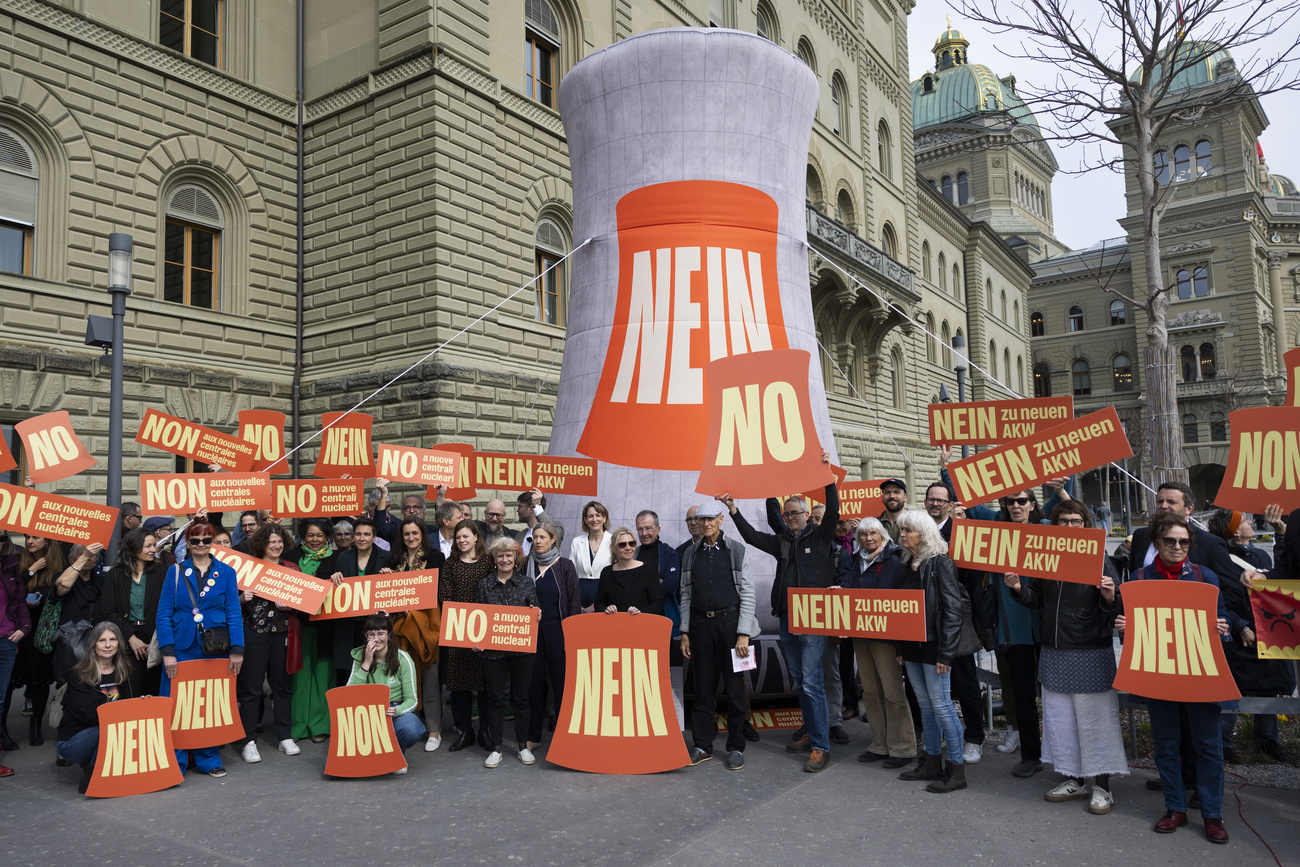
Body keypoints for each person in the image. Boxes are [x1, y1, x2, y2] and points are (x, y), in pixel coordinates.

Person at [1003, 501, 1127, 816]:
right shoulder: (1046, 557)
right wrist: (1019, 589)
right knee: (1061, 722)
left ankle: (1102, 786)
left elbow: (1118, 606)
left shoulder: (1098, 556)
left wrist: (1111, 596)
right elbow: (1039, 600)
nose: (1069, 527)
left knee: (1095, 721)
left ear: (1086, 525)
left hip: (1089, 650)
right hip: (1053, 649)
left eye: (1076, 521)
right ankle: (1074, 779)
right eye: (1063, 521)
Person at [725, 449, 837, 773]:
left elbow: (834, 508)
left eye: (795, 513)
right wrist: (733, 510)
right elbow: (750, 536)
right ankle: (811, 729)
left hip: (813, 620)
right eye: (786, 514)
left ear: (806, 513)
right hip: (787, 619)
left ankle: (821, 747)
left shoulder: (822, 536)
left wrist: (827, 473)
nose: (790, 518)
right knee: (801, 682)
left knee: (813, 683)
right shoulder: (782, 542)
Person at [1124, 512, 1232, 843]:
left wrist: (1222, 629)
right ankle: (1175, 809)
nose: (1177, 546)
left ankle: (1213, 815)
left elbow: (1223, 622)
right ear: (1157, 543)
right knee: (1166, 745)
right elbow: (1133, 634)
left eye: (1184, 542)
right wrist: (1127, 629)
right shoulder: (1140, 578)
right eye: (1170, 541)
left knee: (1208, 747)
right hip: (1160, 674)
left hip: (1200, 672)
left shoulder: (1205, 577)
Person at [157, 520, 244, 777]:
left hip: (214, 646)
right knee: (177, 704)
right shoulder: (174, 571)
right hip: (181, 646)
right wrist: (168, 651)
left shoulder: (226, 572)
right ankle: (176, 759)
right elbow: (163, 614)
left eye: (207, 540)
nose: (201, 545)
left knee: (208, 703)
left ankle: (209, 758)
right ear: (187, 542)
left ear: (213, 541)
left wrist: (237, 649)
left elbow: (233, 612)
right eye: (196, 540)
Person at [1209, 509, 1295, 762]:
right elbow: (1222, 598)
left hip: (1267, 629)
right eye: (1244, 520)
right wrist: (1241, 625)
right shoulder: (1222, 557)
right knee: (1232, 688)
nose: (1250, 522)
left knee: (1270, 686)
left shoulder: (1257, 554)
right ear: (1234, 530)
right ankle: (1224, 743)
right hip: (1240, 634)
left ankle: (1267, 740)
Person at [893, 509, 968, 793]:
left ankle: (957, 769)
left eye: (908, 530)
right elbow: (901, 610)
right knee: (926, 706)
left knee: (942, 706)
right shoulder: (906, 564)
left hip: (935, 648)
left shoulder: (941, 564)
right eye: (901, 530)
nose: (902, 535)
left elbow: (953, 611)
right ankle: (932, 761)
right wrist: (901, 647)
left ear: (923, 535)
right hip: (912, 648)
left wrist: (946, 654)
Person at [679, 500, 757, 770]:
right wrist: (685, 631)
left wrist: (743, 633)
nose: (706, 523)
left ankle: (736, 747)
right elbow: (686, 595)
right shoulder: (691, 553)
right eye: (702, 520)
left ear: (721, 519)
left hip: (731, 626)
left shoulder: (736, 550)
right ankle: (702, 745)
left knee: (735, 690)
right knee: (703, 690)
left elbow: (748, 593)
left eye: (711, 519)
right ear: (697, 523)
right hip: (700, 628)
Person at [848, 518, 915, 769]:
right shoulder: (856, 561)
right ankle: (879, 744)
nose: (868, 538)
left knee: (893, 693)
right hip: (862, 636)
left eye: (873, 533)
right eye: (863, 534)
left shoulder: (897, 560)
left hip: (887, 639)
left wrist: (901, 646)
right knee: (871, 693)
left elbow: (902, 604)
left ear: (883, 534)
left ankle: (903, 748)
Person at [991, 490, 1045, 778]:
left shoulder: (1046, 530)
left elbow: (1074, 521)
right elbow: (969, 512)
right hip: (1016, 631)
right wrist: (947, 469)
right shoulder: (995, 535)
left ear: (1032, 505)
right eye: (1010, 501)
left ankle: (1064, 754)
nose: (1015, 506)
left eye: (1022, 501)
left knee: (1057, 697)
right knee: (1023, 695)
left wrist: (1064, 487)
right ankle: (1031, 755)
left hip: (1048, 629)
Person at [237, 523, 299, 763]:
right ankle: (248, 741)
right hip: (254, 634)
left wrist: (292, 605)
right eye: (272, 541)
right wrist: (242, 598)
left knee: (282, 686)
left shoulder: (291, 568)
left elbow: (304, 604)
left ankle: (285, 737)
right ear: (262, 543)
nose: (276, 545)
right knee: (252, 689)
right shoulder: (248, 568)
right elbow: (230, 602)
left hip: (283, 634)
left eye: (280, 541)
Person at [475, 538, 540, 768]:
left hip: (521, 651)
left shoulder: (526, 583)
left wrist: (536, 615)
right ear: (494, 559)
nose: (505, 559)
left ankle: (523, 746)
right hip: (492, 653)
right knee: (495, 699)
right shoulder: (484, 585)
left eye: (509, 555)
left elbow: (534, 611)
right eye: (500, 555)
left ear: (516, 558)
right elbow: (477, 619)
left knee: (521, 697)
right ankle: (496, 748)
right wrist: (476, 640)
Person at [386, 518, 445, 752]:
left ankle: (434, 731)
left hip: (425, 626)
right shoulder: (393, 560)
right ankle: (408, 725)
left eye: (415, 533)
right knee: (404, 680)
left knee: (429, 678)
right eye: (407, 534)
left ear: (423, 535)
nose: (411, 537)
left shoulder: (435, 559)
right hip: (399, 628)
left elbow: (438, 591)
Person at [55, 621, 136, 793]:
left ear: (119, 644)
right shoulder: (79, 674)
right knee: (112, 729)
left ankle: (104, 771)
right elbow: (87, 715)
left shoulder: (124, 671)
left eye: (113, 640)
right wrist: (120, 717)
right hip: (73, 741)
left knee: (118, 728)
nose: (108, 645)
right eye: (102, 640)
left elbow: (129, 706)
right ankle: (90, 780)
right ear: (93, 644)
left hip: (108, 731)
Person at [523, 520, 580, 751]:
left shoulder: (565, 565)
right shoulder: (526, 564)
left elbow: (574, 603)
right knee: (534, 685)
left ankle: (566, 736)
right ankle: (534, 736)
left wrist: (571, 636)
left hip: (558, 630)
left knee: (562, 684)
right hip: (532, 632)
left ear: (553, 539)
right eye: (534, 537)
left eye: (542, 537)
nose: (537, 541)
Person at [4, 535, 64, 747]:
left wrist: (41, 597)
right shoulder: (16, 558)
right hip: (18, 629)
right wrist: (31, 570)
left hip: (43, 629)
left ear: (47, 541)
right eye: (28, 537)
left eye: (36, 538)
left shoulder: (57, 563)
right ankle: (2, 730)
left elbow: (60, 593)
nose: (30, 541)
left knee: (40, 680)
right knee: (9, 681)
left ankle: (36, 726)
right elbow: (9, 590)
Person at [438, 519, 492, 752]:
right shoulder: (450, 564)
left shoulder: (488, 562)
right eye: (458, 537)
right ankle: (465, 731)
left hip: (484, 629)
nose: (461, 540)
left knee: (484, 685)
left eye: (465, 536)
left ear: (476, 537)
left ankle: (485, 732)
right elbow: (444, 595)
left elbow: (493, 592)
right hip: (458, 629)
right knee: (459, 685)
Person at [347, 613, 425, 771]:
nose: (376, 639)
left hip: (393, 710)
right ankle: (373, 756)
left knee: (411, 727)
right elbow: (348, 695)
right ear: (366, 636)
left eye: (381, 633)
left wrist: (398, 710)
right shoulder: (360, 656)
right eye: (371, 634)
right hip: (367, 712)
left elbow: (413, 700)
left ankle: (396, 755)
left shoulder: (403, 659)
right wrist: (366, 663)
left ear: (389, 635)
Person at [95, 528, 165, 697]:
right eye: (148, 546)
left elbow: (168, 607)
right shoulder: (116, 574)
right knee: (130, 689)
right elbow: (109, 611)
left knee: (153, 689)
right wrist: (131, 638)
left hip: (154, 637)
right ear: (133, 548)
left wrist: (157, 637)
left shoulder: (162, 572)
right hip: (125, 637)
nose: (153, 550)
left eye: (154, 545)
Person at [326, 518, 390, 688]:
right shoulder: (342, 557)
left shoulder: (386, 558)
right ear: (354, 537)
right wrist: (334, 578)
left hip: (375, 625)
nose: (362, 538)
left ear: (374, 537)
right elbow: (336, 590)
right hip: (348, 625)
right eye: (358, 534)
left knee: (376, 671)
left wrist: (390, 576)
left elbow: (392, 592)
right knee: (347, 673)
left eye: (367, 534)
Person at [636, 509, 684, 730]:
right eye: (640, 529)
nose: (644, 533)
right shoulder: (632, 552)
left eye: (648, 528)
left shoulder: (670, 554)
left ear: (658, 529)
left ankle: (671, 724)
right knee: (641, 674)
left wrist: (644, 584)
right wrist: (656, 581)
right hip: (637, 623)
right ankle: (643, 721)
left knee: (665, 674)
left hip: (664, 623)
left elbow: (670, 587)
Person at [292, 519, 334, 743]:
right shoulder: (290, 557)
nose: (315, 540)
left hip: (326, 626)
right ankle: (298, 726)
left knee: (322, 676)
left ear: (327, 537)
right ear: (303, 537)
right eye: (310, 535)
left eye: (319, 536)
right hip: (299, 625)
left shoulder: (337, 558)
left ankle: (319, 725)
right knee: (300, 677)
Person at [50, 542, 105, 686]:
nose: (87, 558)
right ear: (73, 559)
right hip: (70, 644)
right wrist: (84, 556)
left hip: (97, 640)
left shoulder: (102, 580)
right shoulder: (61, 577)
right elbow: (63, 587)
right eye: (81, 555)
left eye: (92, 555)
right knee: (71, 685)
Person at [0, 533, 31, 768]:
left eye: (1, 538)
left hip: (6, 639)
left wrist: (24, 626)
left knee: (0, 700)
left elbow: (19, 601)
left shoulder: (10, 565)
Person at [595, 527, 664, 616]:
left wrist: (640, 613)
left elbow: (657, 603)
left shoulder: (648, 570)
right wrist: (607, 609)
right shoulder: (607, 573)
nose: (628, 548)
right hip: (615, 626)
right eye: (622, 545)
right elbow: (598, 604)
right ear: (613, 547)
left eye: (631, 544)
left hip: (642, 626)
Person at [571, 500, 613, 611]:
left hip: (606, 599)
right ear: (585, 520)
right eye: (590, 516)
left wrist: (595, 606)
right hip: (579, 600)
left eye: (598, 515)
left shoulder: (614, 540)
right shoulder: (576, 542)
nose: (594, 519)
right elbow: (571, 575)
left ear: (604, 518)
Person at [517, 489, 564, 554]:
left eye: (520, 507)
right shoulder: (519, 536)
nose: (517, 510)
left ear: (531, 509)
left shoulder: (557, 526)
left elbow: (555, 537)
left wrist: (536, 506)